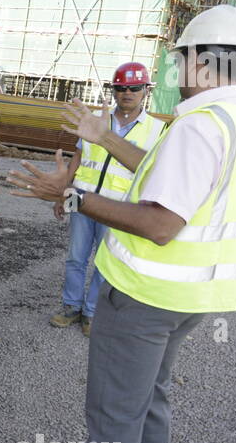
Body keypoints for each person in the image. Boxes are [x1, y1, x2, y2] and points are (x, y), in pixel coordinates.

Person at [6, 4, 236, 443]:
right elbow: (165, 167)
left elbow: (159, 221)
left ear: (201, 59)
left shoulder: (199, 126)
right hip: (194, 297)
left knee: (113, 413)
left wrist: (73, 196)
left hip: (144, 298)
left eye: (180, 58)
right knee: (150, 401)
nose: (176, 69)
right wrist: (104, 137)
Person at [50, 62, 165, 337]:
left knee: (105, 263)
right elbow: (77, 158)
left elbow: (156, 173)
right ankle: (71, 306)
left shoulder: (156, 130)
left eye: (134, 88)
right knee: (76, 258)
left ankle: (91, 312)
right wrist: (61, 195)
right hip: (83, 202)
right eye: (121, 88)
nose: (127, 93)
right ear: (114, 91)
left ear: (145, 91)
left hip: (119, 209)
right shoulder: (96, 120)